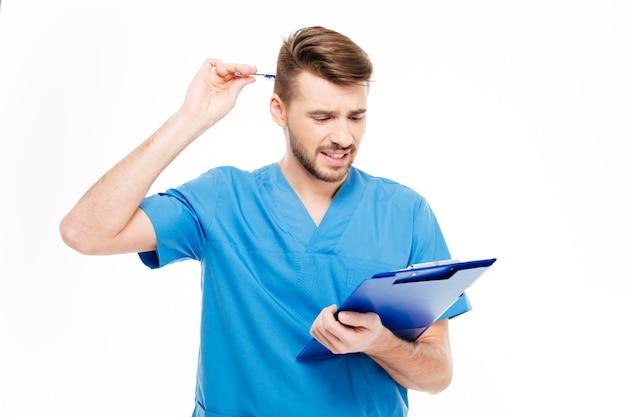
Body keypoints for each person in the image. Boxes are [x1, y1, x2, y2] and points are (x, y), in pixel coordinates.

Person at [60, 26, 470, 417]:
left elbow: (438, 373)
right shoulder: (223, 199)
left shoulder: (406, 212)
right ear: (279, 110)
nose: (344, 137)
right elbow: (85, 232)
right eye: (323, 118)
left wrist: (382, 343)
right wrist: (192, 117)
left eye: (356, 116)